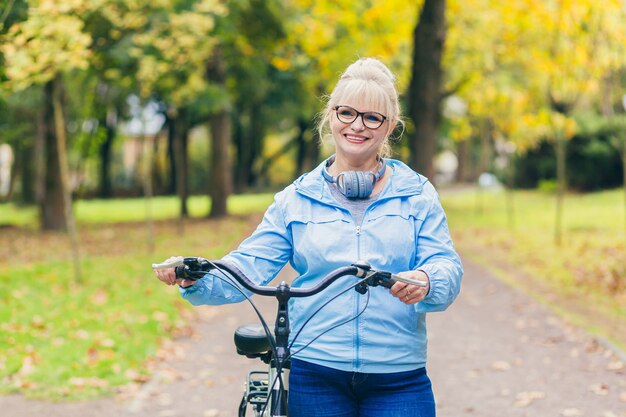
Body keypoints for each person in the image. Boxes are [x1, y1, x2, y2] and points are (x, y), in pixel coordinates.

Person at [154, 57, 463, 417]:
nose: (357, 126)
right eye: (347, 112)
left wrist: (428, 279)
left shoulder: (417, 194)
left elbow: (447, 266)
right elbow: (248, 266)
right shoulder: (295, 200)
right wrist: (198, 274)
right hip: (316, 374)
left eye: (372, 117)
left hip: (398, 377)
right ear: (331, 116)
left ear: (389, 125)